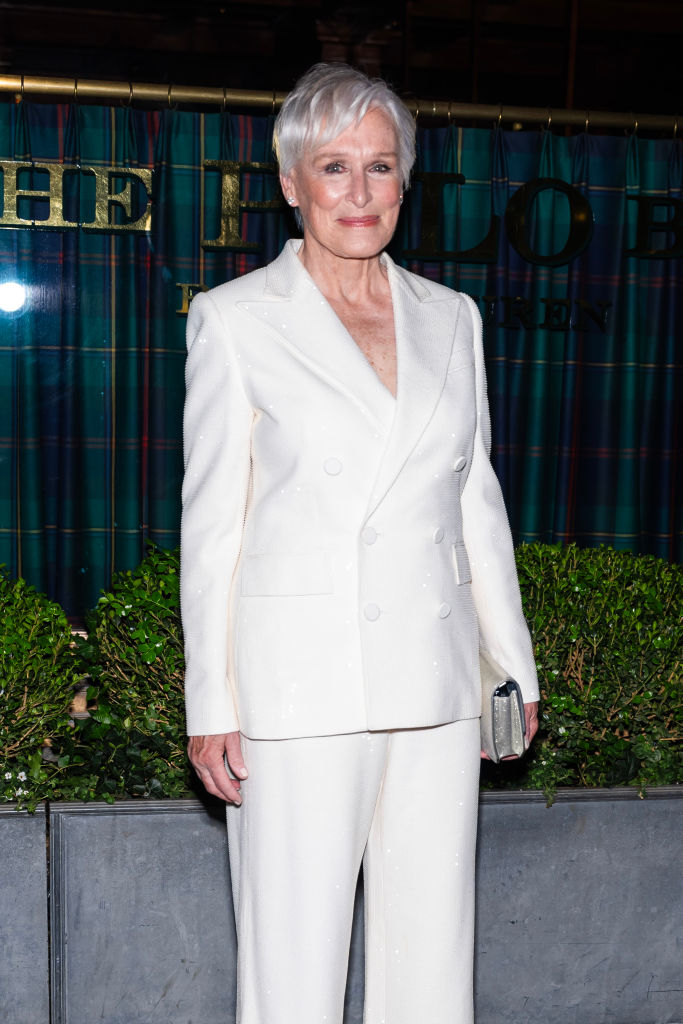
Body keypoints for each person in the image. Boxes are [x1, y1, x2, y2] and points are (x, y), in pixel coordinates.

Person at [181, 62, 539, 1024]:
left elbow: (475, 504)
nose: (359, 192)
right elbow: (212, 531)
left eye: (379, 167)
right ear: (290, 183)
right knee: (292, 967)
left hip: (434, 681)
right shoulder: (235, 320)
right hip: (295, 690)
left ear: (403, 182)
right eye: (333, 167)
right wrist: (212, 701)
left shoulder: (450, 317)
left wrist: (509, 668)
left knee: (431, 960)